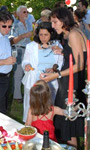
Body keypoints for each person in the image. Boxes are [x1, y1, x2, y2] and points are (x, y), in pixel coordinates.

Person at [40, 7, 87, 147]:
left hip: (72, 84)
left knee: (68, 124)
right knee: (67, 123)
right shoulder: (68, 34)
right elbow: (73, 54)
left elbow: (79, 65)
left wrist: (56, 74)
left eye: (55, 22)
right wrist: (62, 52)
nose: (53, 26)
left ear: (64, 20)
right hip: (67, 81)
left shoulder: (73, 34)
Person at [22, 22, 63, 122]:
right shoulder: (31, 46)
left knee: (48, 107)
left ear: (51, 34)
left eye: (46, 35)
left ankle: (46, 125)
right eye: (41, 35)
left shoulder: (57, 45)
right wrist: (26, 66)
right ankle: (30, 126)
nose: (43, 37)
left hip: (50, 82)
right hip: (34, 81)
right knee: (32, 107)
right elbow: (25, 61)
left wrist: (54, 69)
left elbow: (61, 62)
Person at [11, 5, 33, 103]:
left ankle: (29, 93)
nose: (26, 14)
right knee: (18, 73)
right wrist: (23, 36)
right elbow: (12, 41)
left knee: (29, 71)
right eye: (24, 12)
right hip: (19, 50)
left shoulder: (29, 23)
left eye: (27, 12)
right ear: (19, 13)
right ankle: (17, 95)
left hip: (29, 50)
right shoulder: (15, 25)